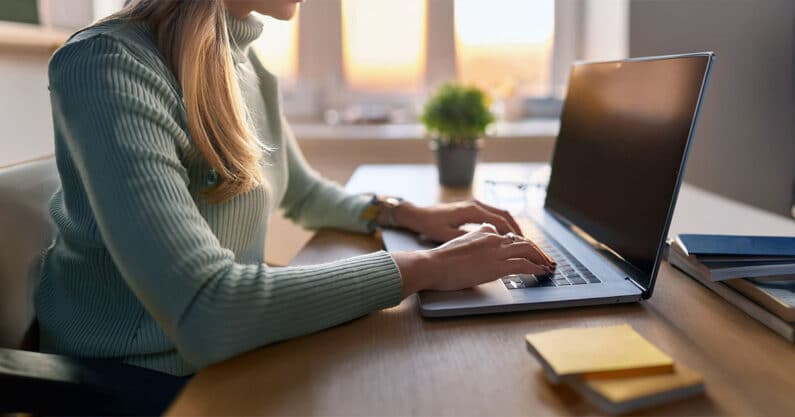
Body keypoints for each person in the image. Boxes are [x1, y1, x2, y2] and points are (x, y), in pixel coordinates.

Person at [36, 0, 554, 377]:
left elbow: (301, 193)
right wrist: (429, 268)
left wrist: (405, 214)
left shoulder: (244, 62)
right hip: (133, 378)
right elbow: (207, 311)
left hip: (223, 357)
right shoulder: (107, 64)